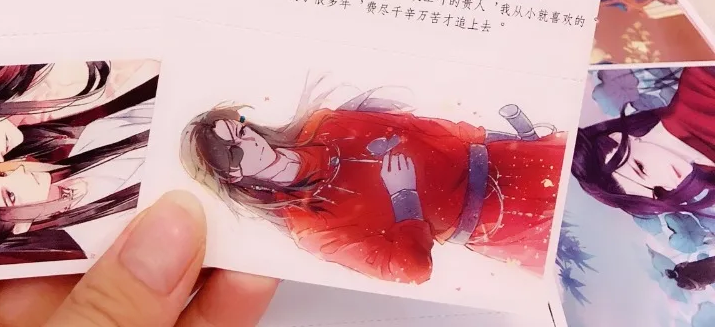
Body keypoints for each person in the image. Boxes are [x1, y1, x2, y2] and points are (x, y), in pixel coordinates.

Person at [181, 91, 566, 286]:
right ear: (232, 177)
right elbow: (410, 270)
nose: (249, 141)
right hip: (501, 222)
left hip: (514, 157)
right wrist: (404, 198)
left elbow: (423, 126)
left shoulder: (325, 125)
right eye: (234, 152)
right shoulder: (313, 229)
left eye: (241, 129)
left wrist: (502, 138)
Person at [0, 191, 277, 327]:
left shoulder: (92, 140)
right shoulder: (88, 237)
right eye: (11, 194)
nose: (17, 171)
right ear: (17, 225)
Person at [0, 61, 159, 259]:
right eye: (9, 195)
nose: (13, 169)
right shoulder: (103, 241)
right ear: (19, 227)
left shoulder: (90, 133)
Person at [572, 65, 715, 216]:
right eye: (658, 191)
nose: (668, 184)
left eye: (641, 168)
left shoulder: (702, 83)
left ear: (618, 137)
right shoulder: (705, 171)